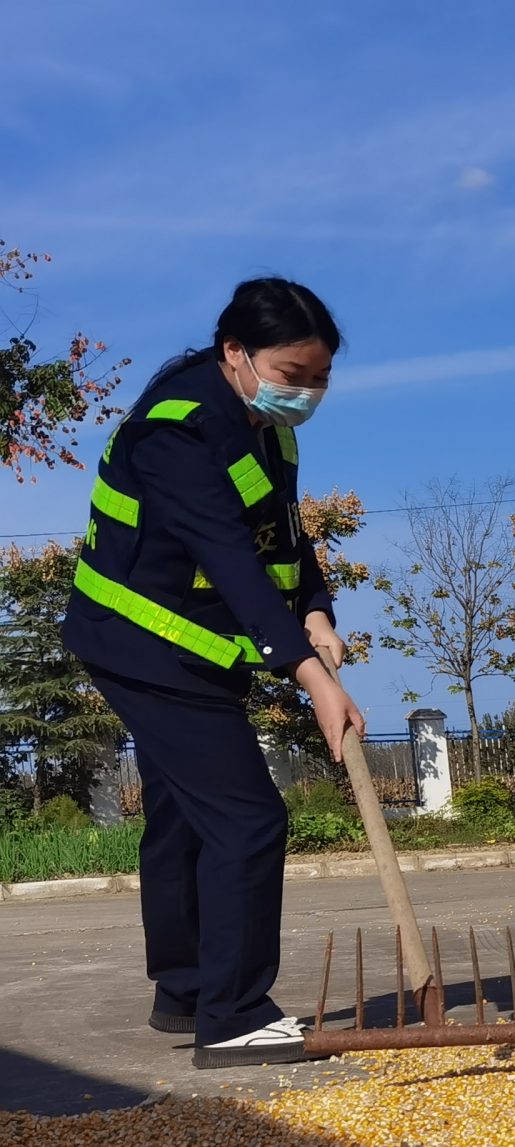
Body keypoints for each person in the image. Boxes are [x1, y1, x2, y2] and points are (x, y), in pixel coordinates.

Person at [60, 278, 364, 1069]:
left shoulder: (267, 428)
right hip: (140, 641)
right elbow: (229, 558)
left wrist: (316, 610)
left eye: (320, 378)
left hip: (196, 643)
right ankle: (234, 1016)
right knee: (246, 819)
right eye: (293, 374)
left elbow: (284, 538)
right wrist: (311, 676)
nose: (307, 393)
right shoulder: (176, 431)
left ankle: (188, 988)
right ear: (236, 352)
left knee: (185, 815)